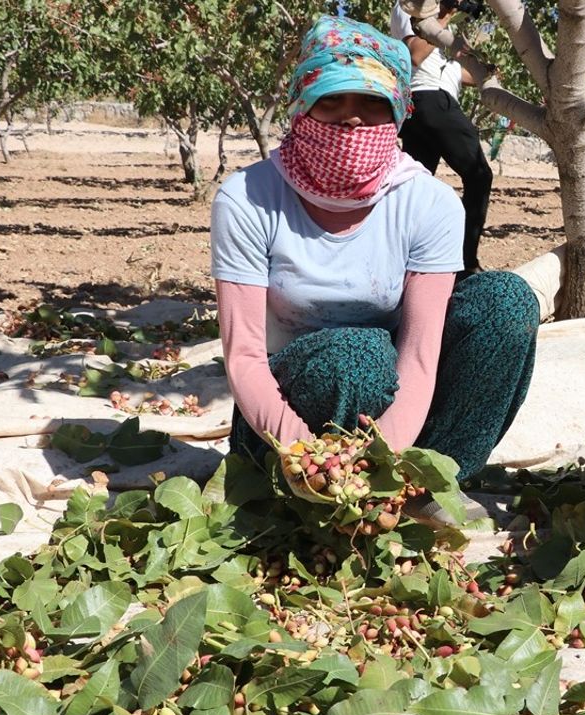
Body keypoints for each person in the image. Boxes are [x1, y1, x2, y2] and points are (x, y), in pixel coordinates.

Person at [210, 16, 539, 526]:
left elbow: (419, 355)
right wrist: (304, 456)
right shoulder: (248, 198)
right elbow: (246, 355)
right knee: (357, 354)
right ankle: (302, 495)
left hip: (394, 407)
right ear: (303, 105)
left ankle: (422, 488)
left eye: (371, 102)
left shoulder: (428, 204)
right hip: (282, 417)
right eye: (331, 100)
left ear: (397, 111)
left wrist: (382, 463)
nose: (351, 118)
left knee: (507, 303)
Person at [390, 0, 493, 275]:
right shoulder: (409, 9)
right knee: (479, 176)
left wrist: (488, 71)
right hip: (430, 99)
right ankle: (465, 263)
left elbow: (460, 73)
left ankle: (405, 261)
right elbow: (415, 54)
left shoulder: (443, 53)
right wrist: (444, 15)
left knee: (414, 187)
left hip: (422, 109)